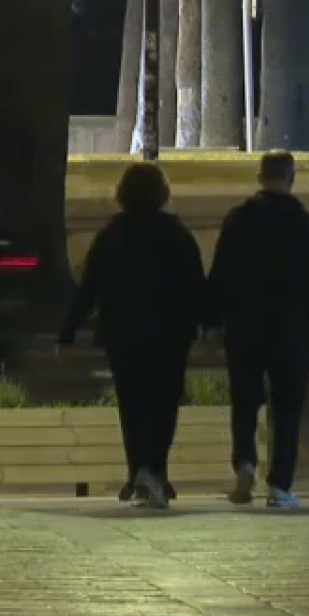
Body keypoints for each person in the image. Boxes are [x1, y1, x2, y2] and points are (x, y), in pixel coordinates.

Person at [59, 163, 209, 510]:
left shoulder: (111, 234)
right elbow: (194, 284)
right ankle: (155, 470)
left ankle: (138, 471)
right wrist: (208, 323)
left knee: (132, 404)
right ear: (162, 193)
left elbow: (89, 288)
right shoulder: (176, 233)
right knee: (164, 404)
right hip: (170, 333)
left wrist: (67, 334)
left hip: (122, 332)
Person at [210, 150, 309, 509]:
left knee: (245, 402)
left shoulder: (239, 219)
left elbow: (220, 273)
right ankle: (280, 484)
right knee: (288, 408)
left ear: (260, 176)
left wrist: (212, 319)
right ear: (291, 177)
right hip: (292, 328)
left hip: (245, 326)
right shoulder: (304, 224)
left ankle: (245, 463)